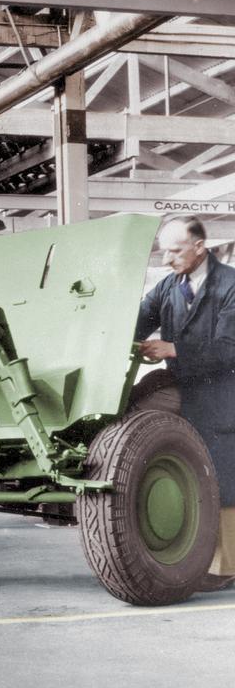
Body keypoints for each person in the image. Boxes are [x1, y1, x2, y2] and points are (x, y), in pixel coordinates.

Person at [136, 216, 235, 592]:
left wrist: (174, 348)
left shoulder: (230, 285)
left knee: (224, 477)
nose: (167, 259)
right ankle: (195, 555)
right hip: (185, 389)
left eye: (175, 251)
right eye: (164, 251)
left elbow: (230, 348)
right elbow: (138, 321)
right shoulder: (167, 287)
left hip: (224, 395)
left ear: (199, 247)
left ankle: (225, 567)